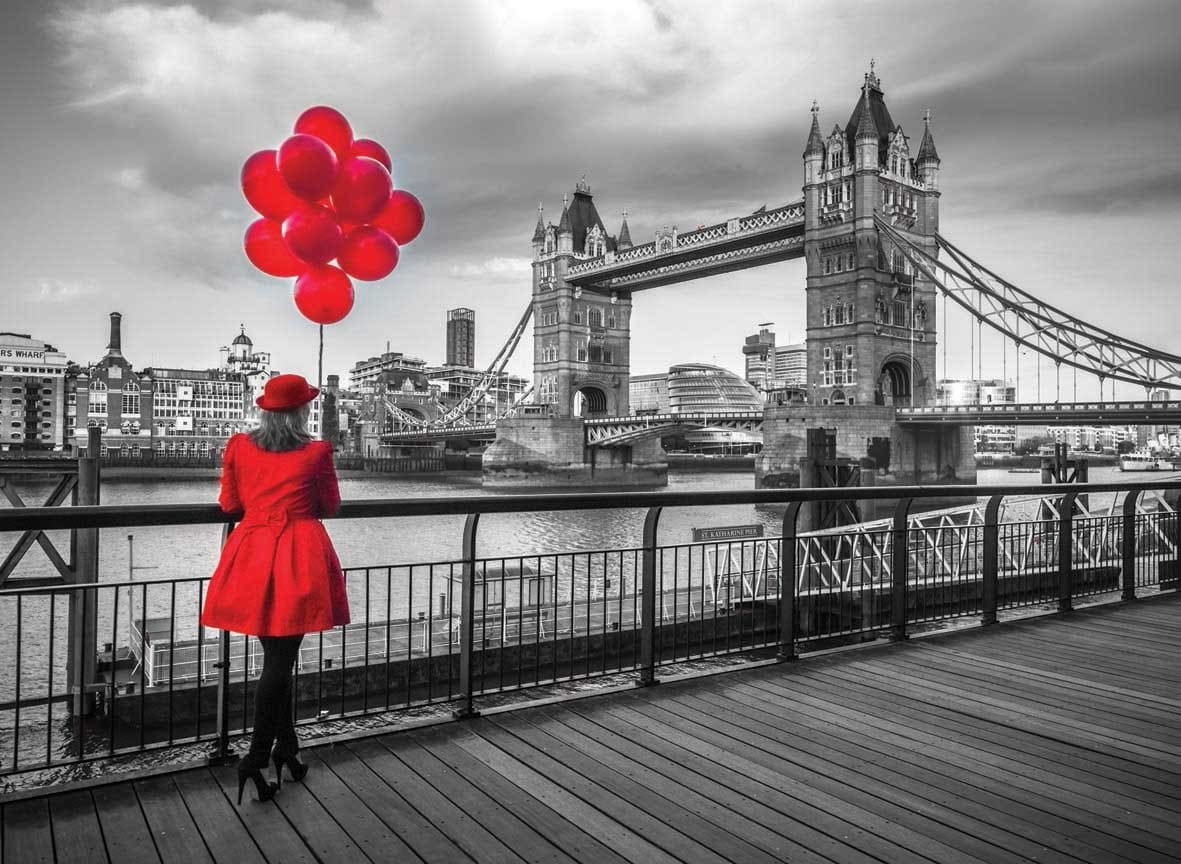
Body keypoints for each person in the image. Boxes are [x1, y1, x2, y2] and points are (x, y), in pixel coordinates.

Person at [201, 373, 350, 804]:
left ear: (265, 410)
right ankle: (255, 757)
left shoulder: (239, 447)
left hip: (251, 554)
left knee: (276, 661)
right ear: (303, 411)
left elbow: (229, 506)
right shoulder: (316, 452)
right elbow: (330, 506)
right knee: (280, 664)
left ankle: (288, 750)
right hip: (298, 557)